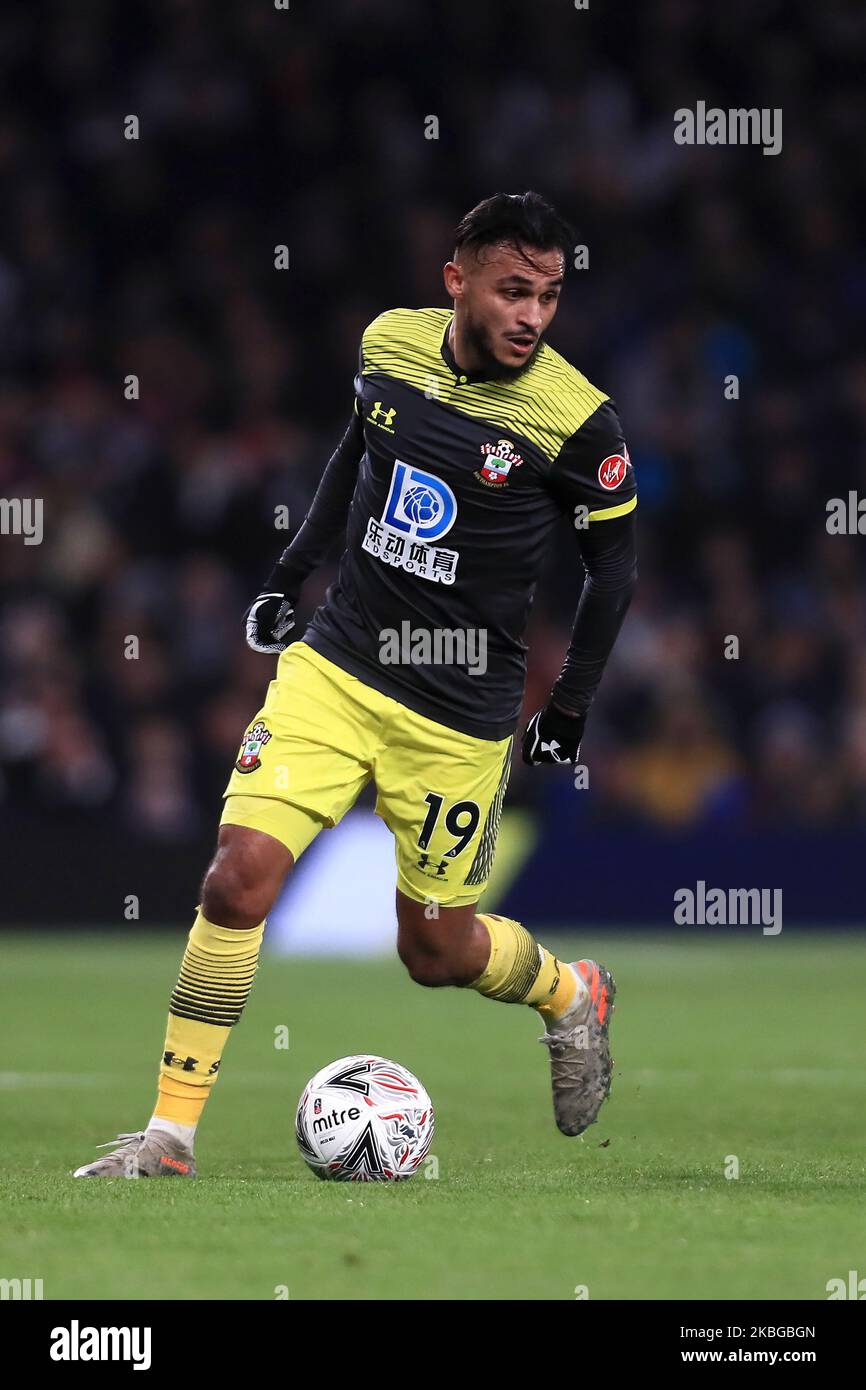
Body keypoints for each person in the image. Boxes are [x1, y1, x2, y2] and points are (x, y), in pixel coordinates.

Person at [73, 191, 637, 1179]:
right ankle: (167, 1139)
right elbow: (354, 458)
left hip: (460, 712)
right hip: (338, 666)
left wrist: (571, 705)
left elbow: (614, 572)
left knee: (436, 951)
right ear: (455, 279)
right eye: (512, 291)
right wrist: (291, 575)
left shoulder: (579, 423)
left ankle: (567, 991)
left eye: (547, 297)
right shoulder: (388, 345)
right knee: (236, 876)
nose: (530, 317)